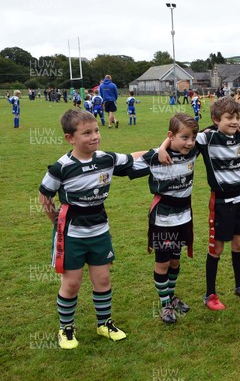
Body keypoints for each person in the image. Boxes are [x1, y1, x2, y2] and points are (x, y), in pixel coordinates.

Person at [38, 109, 144, 349]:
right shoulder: (61, 167)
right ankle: (66, 329)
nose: (95, 136)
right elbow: (45, 195)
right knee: (72, 283)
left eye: (96, 130)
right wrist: (56, 221)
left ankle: (104, 323)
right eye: (86, 133)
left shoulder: (106, 159)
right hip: (72, 234)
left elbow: (132, 157)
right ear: (70, 138)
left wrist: (164, 148)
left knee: (103, 279)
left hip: (99, 231)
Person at [159, 97, 240, 310]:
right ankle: (209, 294)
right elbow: (185, 137)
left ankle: (239, 286)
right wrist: (162, 147)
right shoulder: (207, 137)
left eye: (237, 117)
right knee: (217, 248)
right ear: (215, 120)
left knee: (239, 244)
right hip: (221, 202)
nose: (234, 122)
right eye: (229, 118)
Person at [128, 114, 199, 324]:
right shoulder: (156, 158)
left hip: (184, 217)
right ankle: (165, 304)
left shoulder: (193, 150)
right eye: (184, 137)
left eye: (192, 138)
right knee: (163, 263)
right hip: (163, 220)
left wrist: (165, 144)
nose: (189, 142)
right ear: (171, 136)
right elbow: (129, 159)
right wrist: (160, 149)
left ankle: (172, 296)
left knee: (176, 260)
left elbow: (218, 130)